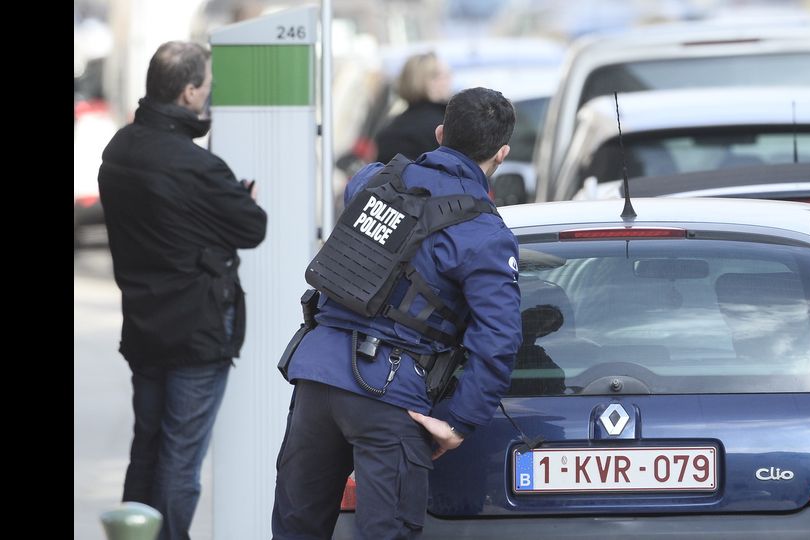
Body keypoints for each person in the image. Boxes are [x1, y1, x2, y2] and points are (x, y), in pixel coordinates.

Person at [273, 87, 522, 539]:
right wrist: (458, 421)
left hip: (316, 381)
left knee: (296, 530)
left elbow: (361, 192)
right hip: (390, 397)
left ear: (441, 132)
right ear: (501, 154)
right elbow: (498, 340)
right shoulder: (485, 234)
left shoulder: (371, 182)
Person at [98, 41, 267, 540]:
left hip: (144, 323)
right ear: (190, 92)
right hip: (198, 327)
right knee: (180, 457)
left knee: (147, 445)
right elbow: (252, 227)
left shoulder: (120, 148)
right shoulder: (197, 167)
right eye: (207, 87)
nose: (209, 95)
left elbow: (165, 223)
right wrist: (235, 199)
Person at [374, 51, 452, 164]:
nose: (449, 80)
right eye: (444, 75)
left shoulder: (389, 129)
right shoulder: (445, 127)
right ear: (428, 82)